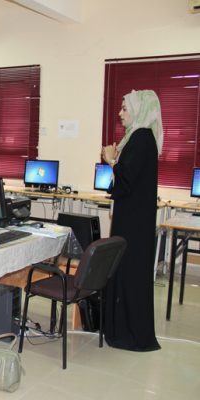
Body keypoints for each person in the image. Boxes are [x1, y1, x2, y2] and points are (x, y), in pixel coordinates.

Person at [101, 89, 162, 352]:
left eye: (125, 108)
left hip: (133, 225)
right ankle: (121, 329)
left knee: (129, 276)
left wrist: (111, 161)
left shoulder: (141, 139)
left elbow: (125, 182)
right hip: (133, 220)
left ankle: (129, 334)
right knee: (125, 275)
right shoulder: (138, 138)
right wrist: (115, 162)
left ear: (139, 110)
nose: (119, 113)